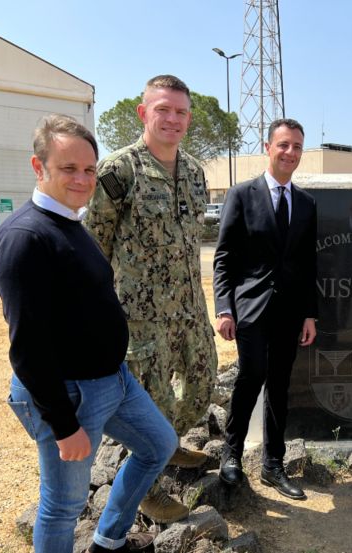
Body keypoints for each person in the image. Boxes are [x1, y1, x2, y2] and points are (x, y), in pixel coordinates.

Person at [0, 114, 178, 553]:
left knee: (158, 445)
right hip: (70, 395)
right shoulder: (26, 238)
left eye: (90, 169)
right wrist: (63, 423)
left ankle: (108, 543)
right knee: (62, 506)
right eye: (68, 168)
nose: (82, 179)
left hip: (112, 382)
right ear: (39, 167)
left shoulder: (72, 224)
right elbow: (27, 348)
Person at [86, 74, 216, 470]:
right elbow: (94, 246)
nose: (173, 119)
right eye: (163, 109)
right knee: (153, 401)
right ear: (143, 112)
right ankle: (148, 484)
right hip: (142, 319)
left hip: (191, 311)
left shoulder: (194, 172)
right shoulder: (118, 170)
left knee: (202, 388)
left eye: (181, 112)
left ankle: (167, 445)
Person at [213, 118, 318, 500]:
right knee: (251, 375)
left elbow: (308, 264)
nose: (290, 152)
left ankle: (274, 465)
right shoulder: (241, 195)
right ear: (268, 147)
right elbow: (224, 257)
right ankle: (232, 456)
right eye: (284, 145)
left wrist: (310, 314)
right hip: (250, 308)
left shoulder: (306, 204)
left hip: (290, 311)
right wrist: (224, 308)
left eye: (297, 147)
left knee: (279, 384)